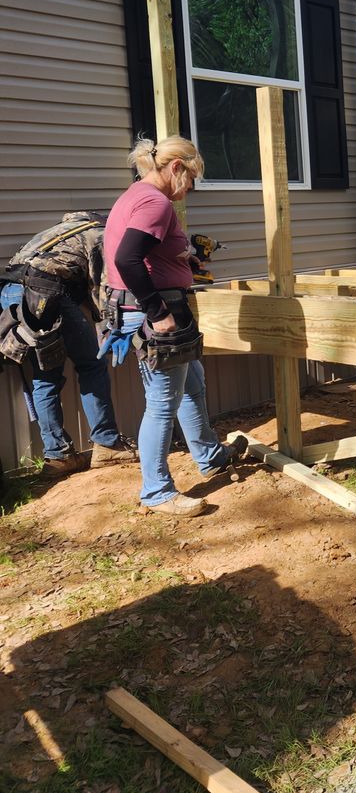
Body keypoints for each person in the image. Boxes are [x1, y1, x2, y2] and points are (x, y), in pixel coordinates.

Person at [102, 136, 247, 517]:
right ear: (177, 168)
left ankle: (210, 457)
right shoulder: (154, 201)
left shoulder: (134, 195)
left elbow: (142, 254)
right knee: (162, 404)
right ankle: (157, 491)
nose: (191, 187)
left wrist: (183, 259)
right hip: (157, 313)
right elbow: (128, 259)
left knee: (193, 384)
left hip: (155, 306)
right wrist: (157, 312)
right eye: (192, 177)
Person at [0, 211, 131, 476]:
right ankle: (107, 445)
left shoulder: (60, 232)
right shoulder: (102, 235)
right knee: (91, 364)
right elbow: (102, 288)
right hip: (46, 294)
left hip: (11, 292)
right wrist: (108, 324)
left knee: (46, 376)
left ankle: (58, 456)